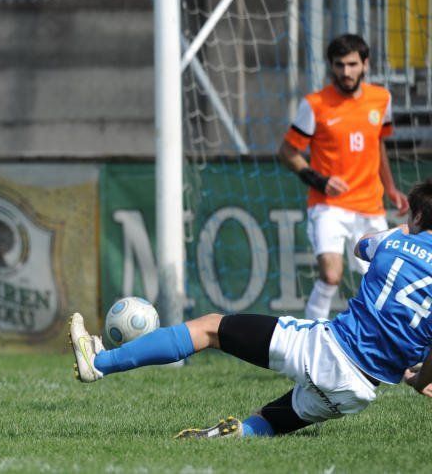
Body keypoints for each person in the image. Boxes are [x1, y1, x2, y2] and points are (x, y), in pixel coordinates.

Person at [69, 179, 432, 439]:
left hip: (325, 350)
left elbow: (362, 245)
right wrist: (419, 380)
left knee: (210, 327)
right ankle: (234, 436)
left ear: (416, 217)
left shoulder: (397, 241)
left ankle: (99, 362)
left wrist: (404, 229)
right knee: (270, 420)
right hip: (358, 391)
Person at [278, 33, 408, 321]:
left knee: (380, 280)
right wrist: (319, 180)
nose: (346, 72)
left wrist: (391, 188)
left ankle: (379, 343)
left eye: (352, 64)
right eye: (339, 65)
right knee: (331, 275)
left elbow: (377, 144)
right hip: (329, 206)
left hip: (370, 205)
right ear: (331, 66)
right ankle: (310, 338)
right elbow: (287, 151)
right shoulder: (314, 104)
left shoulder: (381, 99)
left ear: (365, 64)